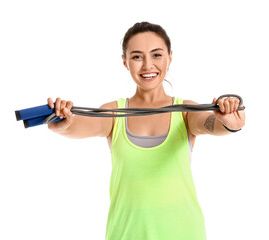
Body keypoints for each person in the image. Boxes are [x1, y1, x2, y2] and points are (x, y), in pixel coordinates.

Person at [47, 22, 245, 240]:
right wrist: (65, 124)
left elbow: (213, 124)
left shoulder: (187, 111)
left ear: (170, 57)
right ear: (125, 61)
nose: (148, 65)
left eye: (157, 55)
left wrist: (230, 121)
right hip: (126, 234)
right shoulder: (114, 113)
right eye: (137, 57)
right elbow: (82, 125)